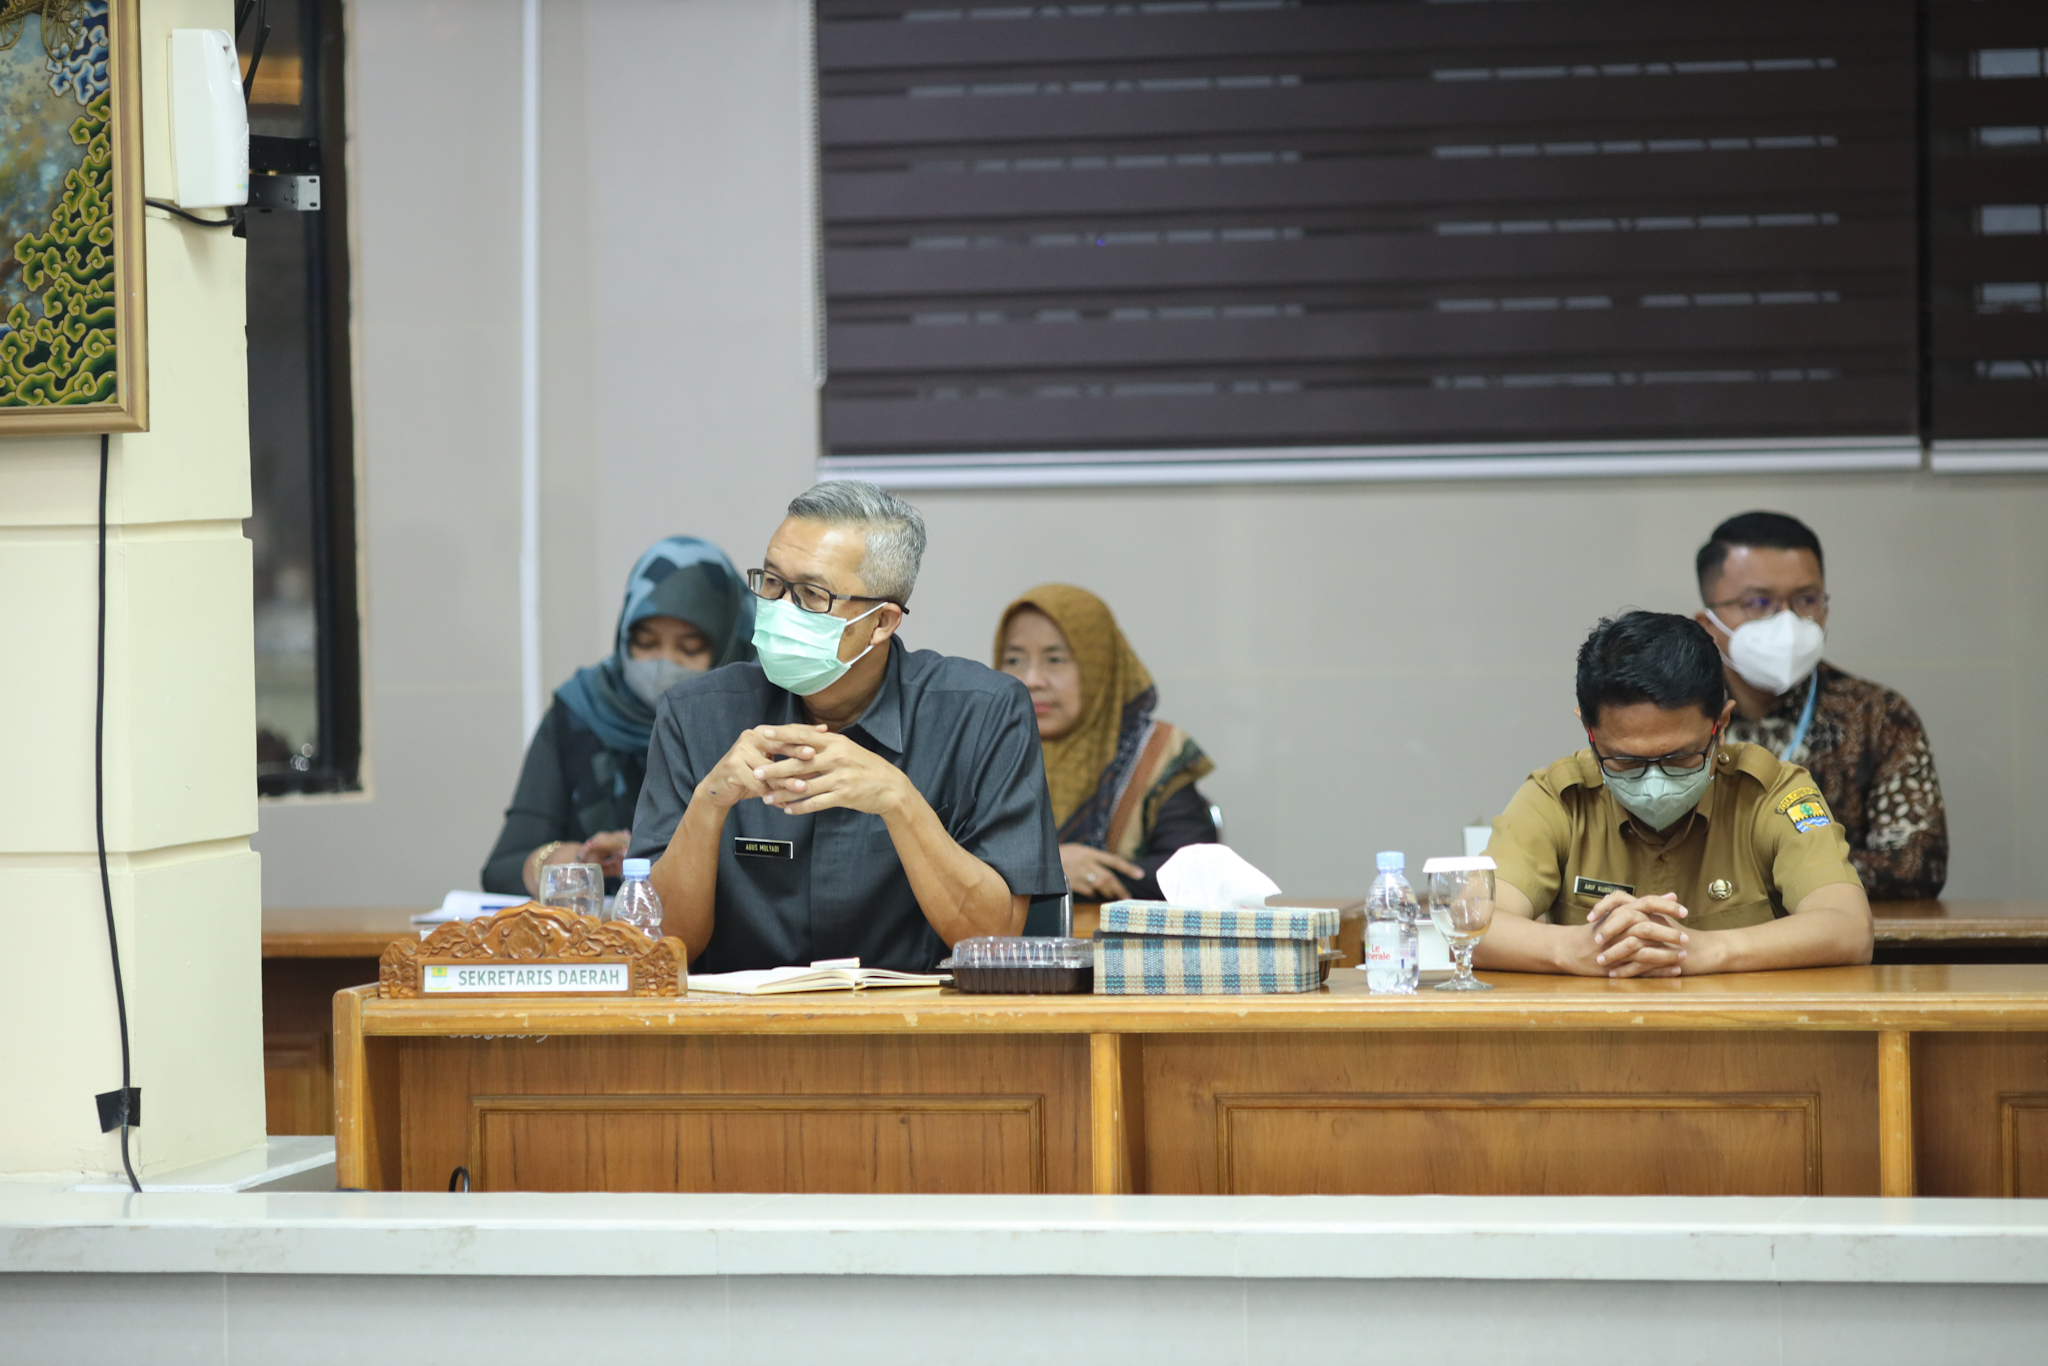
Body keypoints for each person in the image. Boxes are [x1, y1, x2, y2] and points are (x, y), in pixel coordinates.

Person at [631, 480, 1064, 973]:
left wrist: (899, 802)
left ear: (882, 622)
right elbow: (659, 948)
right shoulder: (695, 715)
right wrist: (709, 805)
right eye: (771, 583)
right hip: (741, 1017)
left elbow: (996, 939)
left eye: (812, 595)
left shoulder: (982, 713)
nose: (780, 609)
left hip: (917, 1017)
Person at [1480, 611, 1873, 978]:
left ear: (1721, 724)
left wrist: (1707, 950)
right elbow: (1474, 924)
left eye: (1680, 757)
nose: (1654, 781)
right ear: (1590, 732)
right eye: (1626, 760)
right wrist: (1575, 949)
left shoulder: (1771, 793)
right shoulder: (1559, 799)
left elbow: (1849, 928)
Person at [1692, 511, 1947, 899]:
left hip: (1839, 929)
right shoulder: (1679, 717)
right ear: (1708, 623)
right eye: (1758, 602)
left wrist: (1777, 868)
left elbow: (1916, 864)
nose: (1787, 620)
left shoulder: (1878, 715)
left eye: (1806, 600)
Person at [482, 536, 755, 897]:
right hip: (600, 930)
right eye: (646, 643)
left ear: (729, 646)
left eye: (689, 648)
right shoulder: (580, 713)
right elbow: (502, 869)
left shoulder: (754, 722)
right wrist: (575, 860)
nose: (663, 664)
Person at [994, 585, 1217, 902]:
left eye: (1055, 659)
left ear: (1099, 667)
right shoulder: (981, 753)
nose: (1031, 679)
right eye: (1014, 659)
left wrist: (1051, 874)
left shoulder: (1153, 752)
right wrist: (1046, 866)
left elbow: (1194, 874)